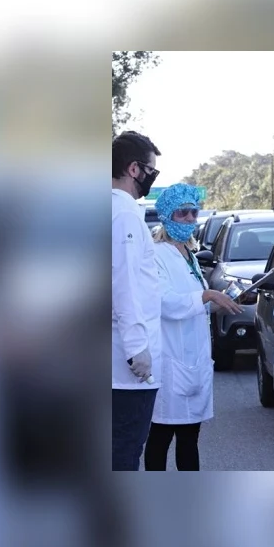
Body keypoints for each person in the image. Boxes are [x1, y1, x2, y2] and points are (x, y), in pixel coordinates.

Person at [144, 184, 242, 471]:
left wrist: (225, 300)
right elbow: (164, 302)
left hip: (193, 361)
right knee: (161, 437)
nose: (189, 218)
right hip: (171, 363)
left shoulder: (189, 255)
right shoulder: (155, 254)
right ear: (167, 216)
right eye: (182, 212)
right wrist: (208, 294)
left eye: (193, 212)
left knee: (190, 438)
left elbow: (195, 304)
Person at [112, 130, 164, 470]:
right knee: (124, 454)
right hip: (127, 369)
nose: (151, 177)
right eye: (151, 170)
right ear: (134, 169)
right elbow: (124, 283)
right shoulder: (125, 213)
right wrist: (136, 351)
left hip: (117, 362)